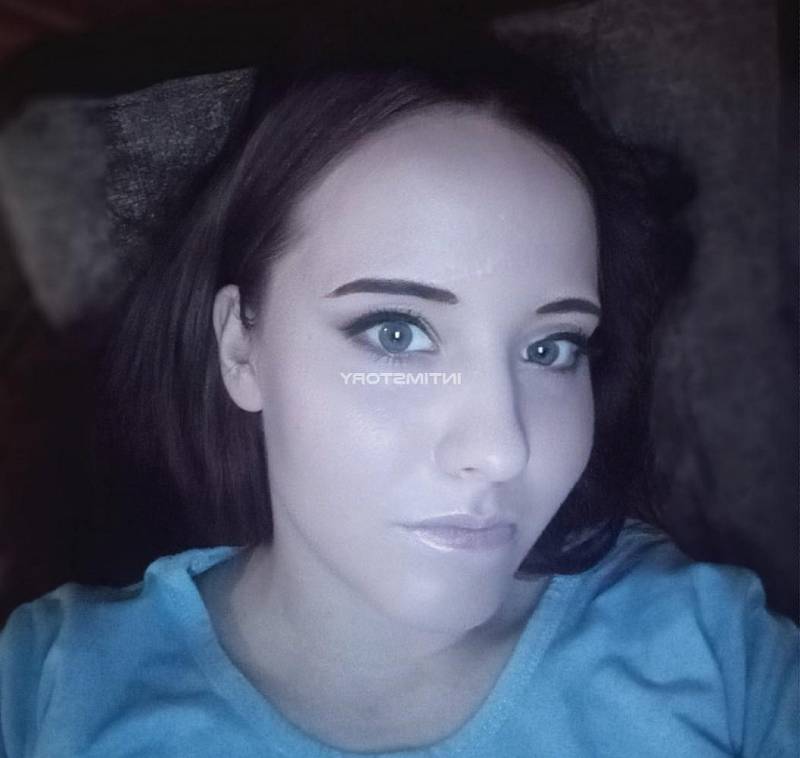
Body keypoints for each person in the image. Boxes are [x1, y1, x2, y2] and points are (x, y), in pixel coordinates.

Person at [0, 33, 797, 758]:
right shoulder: (48, 690)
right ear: (242, 348)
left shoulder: (718, 657)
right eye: (396, 333)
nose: (502, 449)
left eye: (551, 348)